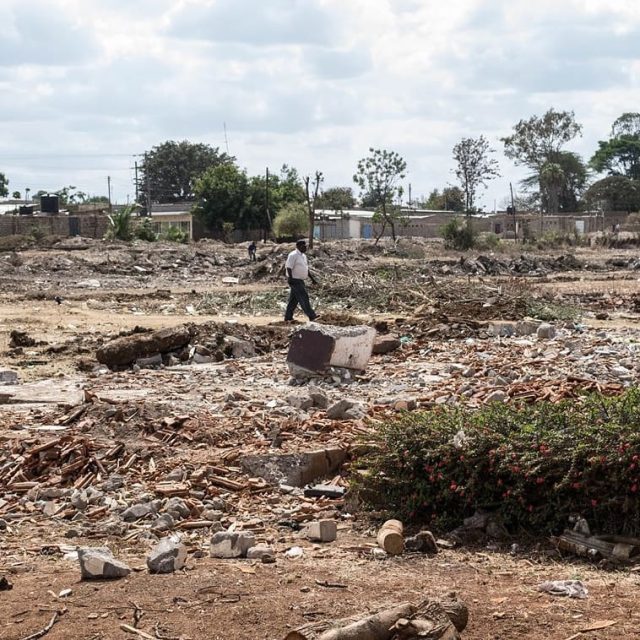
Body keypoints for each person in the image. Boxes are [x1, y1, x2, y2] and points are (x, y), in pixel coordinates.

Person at [284, 239, 318, 322]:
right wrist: (291, 278)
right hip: (295, 280)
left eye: (306, 246)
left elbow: (305, 269)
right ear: (298, 246)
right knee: (304, 297)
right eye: (304, 246)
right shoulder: (293, 255)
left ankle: (288, 317)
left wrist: (312, 279)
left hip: (300, 280)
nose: (305, 248)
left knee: (293, 300)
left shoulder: (303, 256)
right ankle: (312, 315)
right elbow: (288, 267)